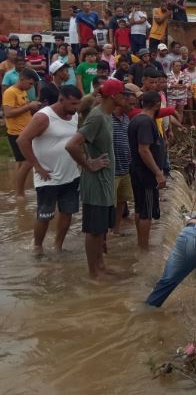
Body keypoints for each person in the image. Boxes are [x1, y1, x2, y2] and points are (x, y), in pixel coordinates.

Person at [65, 79, 126, 278]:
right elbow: (72, 145)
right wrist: (89, 164)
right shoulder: (97, 116)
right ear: (114, 96)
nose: (126, 98)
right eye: (123, 94)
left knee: (101, 230)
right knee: (93, 230)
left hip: (106, 181)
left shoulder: (106, 115)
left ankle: (101, 266)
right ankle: (93, 272)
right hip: (96, 183)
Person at [17, 85, 82, 254]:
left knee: (67, 213)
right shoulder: (44, 117)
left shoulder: (74, 116)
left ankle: (58, 246)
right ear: (61, 100)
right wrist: (37, 166)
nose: (76, 108)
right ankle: (37, 247)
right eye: (73, 104)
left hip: (71, 175)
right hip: (48, 177)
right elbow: (22, 140)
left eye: (78, 104)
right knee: (44, 215)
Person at [127, 91, 167, 252]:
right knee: (147, 211)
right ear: (157, 104)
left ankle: (140, 244)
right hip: (146, 173)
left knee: (140, 207)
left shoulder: (136, 119)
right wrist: (157, 172)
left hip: (136, 170)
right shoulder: (146, 122)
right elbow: (144, 150)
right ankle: (144, 248)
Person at [3, 69, 40, 198]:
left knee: (22, 163)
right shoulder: (10, 92)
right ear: (22, 79)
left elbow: (22, 109)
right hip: (16, 133)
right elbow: (8, 113)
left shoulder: (22, 91)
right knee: (27, 162)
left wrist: (32, 107)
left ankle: (20, 192)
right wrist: (29, 107)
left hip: (25, 131)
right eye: (29, 84)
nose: (31, 87)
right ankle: (19, 194)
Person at [111, 84, 135, 236]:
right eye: (130, 103)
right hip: (111, 170)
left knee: (121, 201)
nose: (132, 107)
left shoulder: (126, 118)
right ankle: (104, 232)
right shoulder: (106, 117)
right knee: (108, 204)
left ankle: (116, 230)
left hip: (125, 168)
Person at [183, 58, 196, 126]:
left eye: (194, 64)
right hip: (189, 90)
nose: (192, 65)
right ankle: (192, 124)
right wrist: (188, 86)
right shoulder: (185, 71)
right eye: (191, 64)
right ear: (187, 64)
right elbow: (184, 81)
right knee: (190, 108)